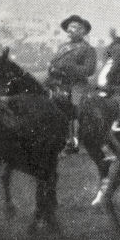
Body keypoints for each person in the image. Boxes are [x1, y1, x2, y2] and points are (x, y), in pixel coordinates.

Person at [46, 14, 97, 152]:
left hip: (76, 84)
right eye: (68, 27)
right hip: (57, 82)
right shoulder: (63, 47)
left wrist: (69, 67)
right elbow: (55, 63)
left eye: (74, 27)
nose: (69, 30)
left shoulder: (88, 49)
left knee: (74, 106)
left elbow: (89, 70)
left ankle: (73, 141)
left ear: (82, 31)